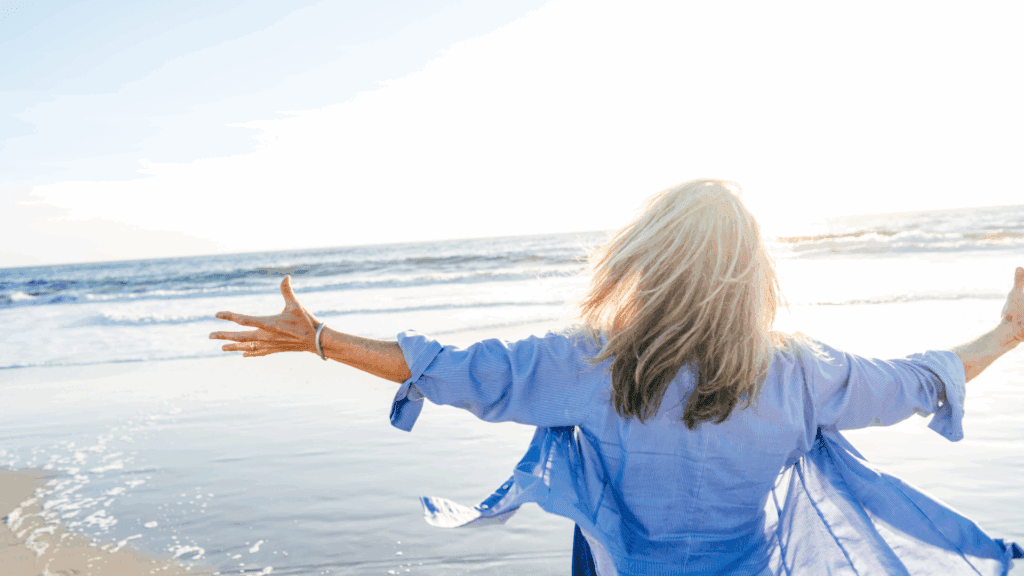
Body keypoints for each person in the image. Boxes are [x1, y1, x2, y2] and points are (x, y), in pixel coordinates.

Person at [210, 180, 1024, 575]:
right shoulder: (800, 375)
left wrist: (320, 339)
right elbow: (922, 380)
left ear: (648, 260)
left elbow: (452, 372)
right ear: (755, 275)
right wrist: (1008, 332)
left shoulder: (587, 364)